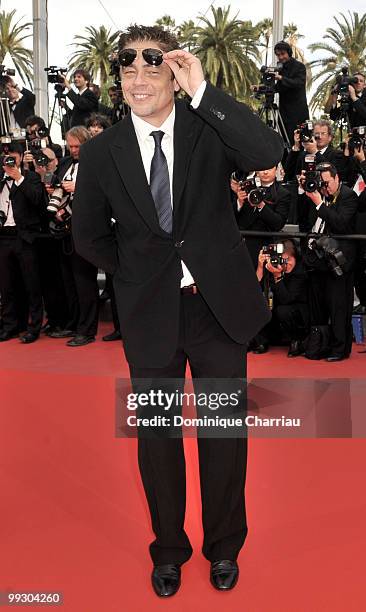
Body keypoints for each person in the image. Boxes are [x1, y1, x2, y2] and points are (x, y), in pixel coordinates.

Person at [72, 24, 283, 596]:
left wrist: (205, 92)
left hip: (217, 311)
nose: (139, 80)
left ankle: (224, 548)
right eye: (128, 70)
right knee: (158, 440)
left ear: (173, 71)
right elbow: (88, 236)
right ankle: (168, 548)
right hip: (150, 314)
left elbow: (268, 152)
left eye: (152, 67)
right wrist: (139, 273)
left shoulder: (208, 130)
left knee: (222, 437)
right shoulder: (99, 152)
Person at [299, 162, 358, 361]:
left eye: (327, 182)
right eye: (320, 182)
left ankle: (339, 349)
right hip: (317, 260)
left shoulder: (348, 195)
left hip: (338, 260)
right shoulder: (315, 194)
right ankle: (320, 345)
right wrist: (306, 192)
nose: (324, 186)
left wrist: (319, 204)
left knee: (338, 306)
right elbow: (306, 222)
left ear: (337, 178)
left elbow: (340, 223)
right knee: (319, 305)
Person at [47, 127, 99, 346]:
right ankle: (74, 324)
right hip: (65, 228)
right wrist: (53, 190)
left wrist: (78, 187)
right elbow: (57, 185)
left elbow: (103, 191)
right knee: (69, 281)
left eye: (77, 146)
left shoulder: (96, 163)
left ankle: (87, 330)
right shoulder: (66, 163)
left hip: (87, 230)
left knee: (84, 282)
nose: (73, 150)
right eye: (70, 146)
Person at [0, 142, 45, 343]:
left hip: (25, 237)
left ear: (21, 157)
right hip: (3, 237)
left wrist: (18, 177)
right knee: (7, 285)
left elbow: (37, 199)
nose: (9, 159)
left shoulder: (31, 178)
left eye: (13, 156)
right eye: (5, 156)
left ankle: (33, 327)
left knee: (31, 284)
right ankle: (10, 325)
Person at [255, 240, 309, 356]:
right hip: (276, 310)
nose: (286, 263)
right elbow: (254, 289)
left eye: (289, 259)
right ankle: (262, 341)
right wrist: (260, 266)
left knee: (283, 310)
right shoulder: (272, 266)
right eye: (283, 259)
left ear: (296, 257)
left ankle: (296, 341)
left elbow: (287, 299)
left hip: (298, 313)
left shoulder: (300, 272)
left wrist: (278, 276)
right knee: (262, 304)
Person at [273, 40, 309, 147]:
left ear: (289, 53)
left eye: (282, 54)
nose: (280, 57)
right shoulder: (279, 68)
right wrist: (262, 87)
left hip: (297, 113)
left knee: (298, 142)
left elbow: (298, 83)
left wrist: (281, 78)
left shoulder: (299, 67)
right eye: (278, 55)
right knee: (283, 142)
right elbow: (279, 88)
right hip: (283, 112)